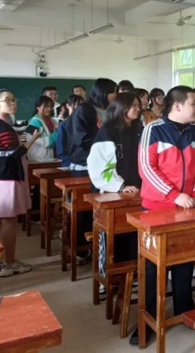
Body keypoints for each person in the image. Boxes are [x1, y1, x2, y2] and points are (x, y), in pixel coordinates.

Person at [132, 86, 195, 345]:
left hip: (187, 206)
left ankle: (184, 309)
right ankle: (148, 319)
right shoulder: (153, 129)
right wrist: (173, 195)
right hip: (156, 208)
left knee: (184, 260)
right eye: (194, 103)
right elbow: (146, 168)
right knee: (152, 267)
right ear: (177, 105)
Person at [87, 92, 142, 297]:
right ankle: (107, 278)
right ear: (121, 107)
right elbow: (99, 164)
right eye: (132, 105)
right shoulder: (108, 130)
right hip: (112, 192)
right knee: (111, 236)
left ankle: (129, 276)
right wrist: (119, 185)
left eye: (138, 105)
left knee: (132, 235)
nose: (137, 108)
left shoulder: (138, 129)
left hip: (135, 191)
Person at [0, 89, 40, 277]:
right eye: (7, 100)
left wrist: (23, 134)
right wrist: (33, 138)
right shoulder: (1, 125)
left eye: (13, 99)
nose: (13, 102)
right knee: (9, 220)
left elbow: (8, 142)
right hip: (6, 177)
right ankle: (9, 264)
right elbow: (16, 153)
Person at [64, 78, 117, 264]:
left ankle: (99, 248)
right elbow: (81, 139)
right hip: (85, 165)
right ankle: (79, 248)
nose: (115, 96)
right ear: (102, 92)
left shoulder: (110, 110)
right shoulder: (84, 110)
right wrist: (104, 147)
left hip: (105, 165)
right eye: (112, 92)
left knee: (100, 209)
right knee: (83, 211)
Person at [25, 95, 59, 161]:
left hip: (49, 157)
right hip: (38, 158)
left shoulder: (52, 120)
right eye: (46, 106)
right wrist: (58, 131)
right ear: (38, 107)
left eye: (51, 107)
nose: (49, 109)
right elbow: (47, 142)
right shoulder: (33, 123)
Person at [56, 94, 83, 168]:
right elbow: (61, 150)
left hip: (83, 163)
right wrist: (70, 164)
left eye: (81, 105)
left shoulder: (85, 124)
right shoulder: (63, 125)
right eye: (77, 104)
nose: (80, 108)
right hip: (69, 164)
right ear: (68, 106)